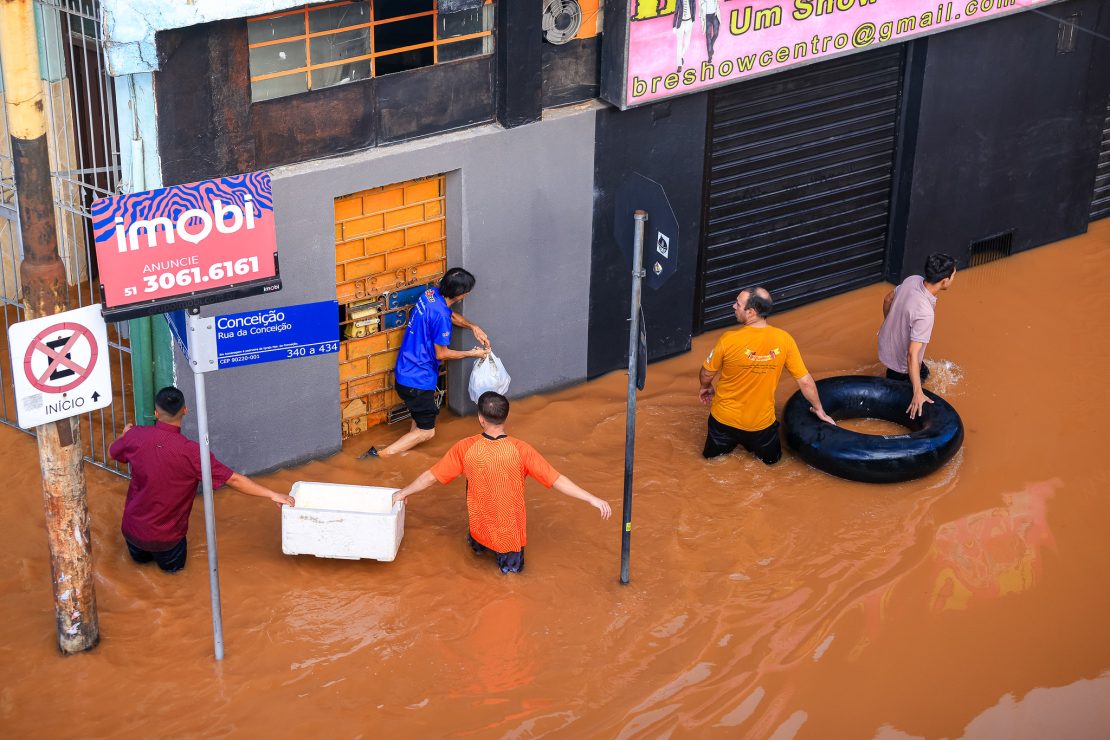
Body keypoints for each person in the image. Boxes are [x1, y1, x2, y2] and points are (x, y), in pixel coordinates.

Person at [391, 391, 611, 574]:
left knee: (474, 562)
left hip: (479, 528)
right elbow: (557, 480)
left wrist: (402, 492)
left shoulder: (465, 447)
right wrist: (591, 498)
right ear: (505, 417)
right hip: (509, 536)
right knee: (510, 583)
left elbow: (431, 476)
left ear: (481, 418)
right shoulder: (521, 450)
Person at [108, 386, 294, 573]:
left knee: (138, 571)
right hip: (167, 540)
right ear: (185, 410)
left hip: (133, 532)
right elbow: (234, 480)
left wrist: (124, 435)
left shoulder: (135, 436)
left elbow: (112, 452)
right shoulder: (193, 453)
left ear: (156, 413)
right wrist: (272, 494)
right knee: (174, 579)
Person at [699, 287, 836, 464]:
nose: (733, 306)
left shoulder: (728, 340)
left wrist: (705, 387)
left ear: (751, 312)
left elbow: (706, 372)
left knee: (710, 463)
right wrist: (819, 409)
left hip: (723, 422)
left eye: (738, 304)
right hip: (761, 427)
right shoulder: (784, 340)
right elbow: (805, 381)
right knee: (772, 465)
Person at [364, 268, 491, 459]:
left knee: (418, 422)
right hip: (418, 381)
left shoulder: (430, 295)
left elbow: (448, 314)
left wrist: (473, 326)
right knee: (427, 432)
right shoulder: (441, 318)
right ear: (461, 295)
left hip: (405, 372)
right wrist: (473, 354)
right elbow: (442, 353)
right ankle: (378, 456)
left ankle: (404, 453)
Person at [877, 253, 957, 419]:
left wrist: (890, 325)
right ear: (944, 281)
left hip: (885, 345)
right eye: (954, 275)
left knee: (924, 371)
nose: (954, 278)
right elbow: (912, 354)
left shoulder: (912, 280)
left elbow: (887, 299)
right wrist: (918, 392)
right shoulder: (925, 313)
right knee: (911, 386)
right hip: (900, 364)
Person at [673, 0, 697, 71]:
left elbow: (694, 8)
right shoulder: (679, 1)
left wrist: (693, 20)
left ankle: (681, 56)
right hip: (680, 24)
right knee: (679, 45)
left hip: (689, 22)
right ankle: (679, 65)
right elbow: (676, 13)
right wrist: (674, 26)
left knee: (687, 44)